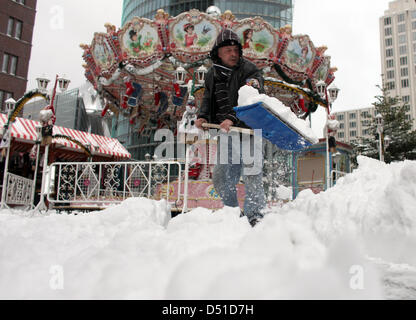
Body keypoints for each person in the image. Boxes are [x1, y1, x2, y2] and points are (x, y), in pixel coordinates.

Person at [195, 28, 266, 227]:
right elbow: (208, 99)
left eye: (236, 50)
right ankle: (232, 211)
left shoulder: (249, 70)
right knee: (220, 176)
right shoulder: (211, 75)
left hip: (249, 131)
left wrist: (232, 118)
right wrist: (202, 116)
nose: (233, 54)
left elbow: (251, 98)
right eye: (228, 50)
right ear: (218, 52)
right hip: (227, 134)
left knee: (252, 175)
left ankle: (256, 217)